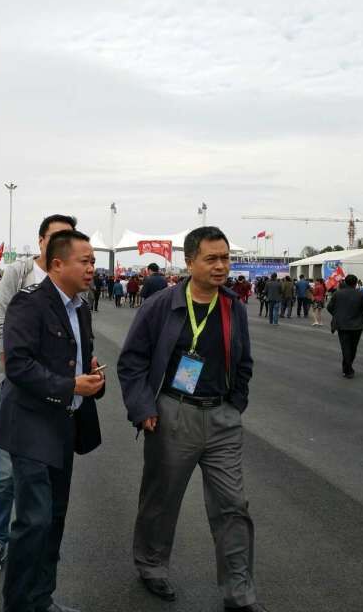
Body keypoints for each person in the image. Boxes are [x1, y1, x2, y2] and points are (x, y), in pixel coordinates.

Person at [117, 226, 267, 612]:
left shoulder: (233, 307)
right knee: (161, 499)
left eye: (225, 258)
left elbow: (244, 361)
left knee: (233, 505)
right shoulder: (161, 305)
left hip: (222, 418)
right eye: (211, 259)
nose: (221, 266)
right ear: (189, 262)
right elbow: (132, 361)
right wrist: (143, 408)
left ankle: (239, 592)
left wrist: (235, 405)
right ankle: (151, 566)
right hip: (173, 414)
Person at [0, 229, 105, 612]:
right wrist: (70, 384)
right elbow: (18, 366)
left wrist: (91, 377)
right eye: (85, 261)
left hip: (64, 426)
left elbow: (77, 360)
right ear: (57, 264)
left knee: (54, 518)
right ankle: (19, 605)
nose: (92, 269)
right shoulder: (29, 304)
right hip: (30, 428)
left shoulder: (81, 308)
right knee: (34, 522)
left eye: (93, 262)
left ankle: (42, 600)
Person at [0, 214, 77, 575]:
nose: (62, 242)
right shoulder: (19, 273)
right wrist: (17, 371)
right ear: (41, 241)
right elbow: (1, 323)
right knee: (6, 472)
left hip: (57, 391)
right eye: (56, 236)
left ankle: (35, 549)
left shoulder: (71, 280)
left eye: (69, 236)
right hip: (18, 386)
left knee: (46, 472)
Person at [326, 274, 363, 378]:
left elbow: (329, 307)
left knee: (345, 347)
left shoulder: (337, 293)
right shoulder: (360, 294)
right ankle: (348, 368)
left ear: (346, 282)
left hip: (342, 325)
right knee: (353, 348)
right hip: (357, 325)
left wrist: (337, 315)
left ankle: (347, 369)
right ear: (356, 283)